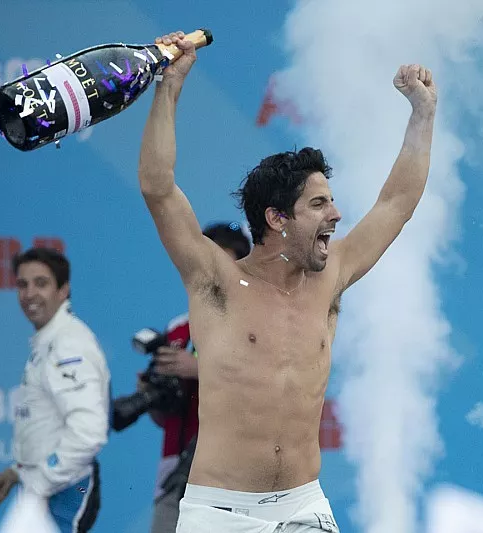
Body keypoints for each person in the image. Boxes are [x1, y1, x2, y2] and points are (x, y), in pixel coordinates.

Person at [138, 31, 437, 533]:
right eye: (319, 205)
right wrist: (168, 89)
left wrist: (423, 115)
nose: (337, 215)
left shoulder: (332, 275)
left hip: (303, 508)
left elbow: (396, 204)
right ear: (277, 218)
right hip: (217, 513)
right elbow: (158, 188)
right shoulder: (216, 280)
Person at [0, 248, 110, 532]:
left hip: (67, 491)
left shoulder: (68, 344)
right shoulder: (49, 341)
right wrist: (17, 473)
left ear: (63, 290)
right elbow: (47, 427)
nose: (29, 293)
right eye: (23, 284)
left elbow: (88, 433)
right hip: (48, 490)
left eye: (41, 283)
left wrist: (39, 480)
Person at [145, 222, 251, 533]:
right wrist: (154, 395)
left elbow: (259, 389)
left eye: (224, 265)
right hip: (173, 474)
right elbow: (163, 419)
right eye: (207, 261)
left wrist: (195, 369)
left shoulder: (252, 327)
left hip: (228, 479)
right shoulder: (177, 328)